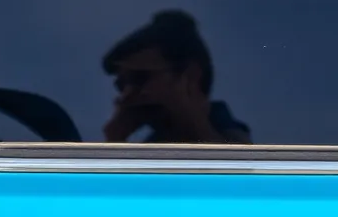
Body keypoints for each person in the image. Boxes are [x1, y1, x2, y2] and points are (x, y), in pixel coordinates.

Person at [101, 10, 251, 144]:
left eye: (140, 78)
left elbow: (234, 170)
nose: (126, 95)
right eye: (121, 85)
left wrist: (195, 125)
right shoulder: (152, 148)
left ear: (191, 77)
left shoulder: (234, 142)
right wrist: (115, 140)